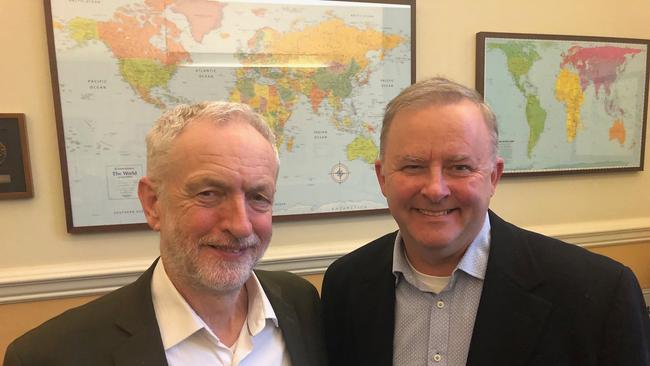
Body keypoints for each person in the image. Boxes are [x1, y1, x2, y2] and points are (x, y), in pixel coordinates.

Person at [321, 77, 650, 366]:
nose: (435, 189)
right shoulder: (345, 285)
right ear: (383, 178)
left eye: (460, 167)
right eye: (412, 166)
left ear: (493, 177)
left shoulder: (600, 293)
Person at [4, 101, 327, 366]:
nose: (241, 225)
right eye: (209, 193)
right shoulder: (49, 356)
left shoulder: (300, 304)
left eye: (258, 197)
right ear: (153, 203)